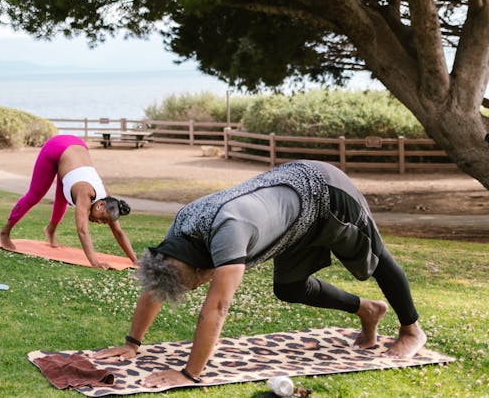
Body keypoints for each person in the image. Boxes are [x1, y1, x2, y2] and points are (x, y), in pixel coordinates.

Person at [92, 160, 427, 389]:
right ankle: (367, 310)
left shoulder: (229, 232)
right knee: (290, 287)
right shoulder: (182, 229)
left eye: (194, 284)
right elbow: (158, 282)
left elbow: (218, 307)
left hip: (326, 193)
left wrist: (189, 374)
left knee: (376, 257)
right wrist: (132, 344)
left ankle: (412, 331)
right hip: (294, 218)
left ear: (201, 267)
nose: (198, 289)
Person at [0, 134, 138, 267]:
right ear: (101, 205)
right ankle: (5, 232)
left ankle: (50, 230)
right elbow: (83, 231)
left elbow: (118, 232)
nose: (100, 222)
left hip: (76, 150)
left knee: (62, 198)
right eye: (102, 219)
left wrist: (135, 260)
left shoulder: (109, 202)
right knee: (35, 195)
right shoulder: (85, 192)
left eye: (103, 222)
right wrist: (95, 262)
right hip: (56, 148)